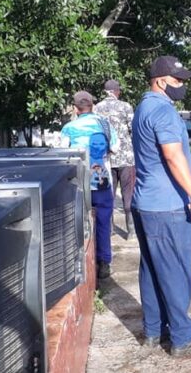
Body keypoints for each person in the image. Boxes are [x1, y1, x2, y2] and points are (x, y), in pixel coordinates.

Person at [131, 56, 191, 357]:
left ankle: (153, 331)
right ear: (160, 80)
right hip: (167, 205)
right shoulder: (163, 111)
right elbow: (172, 156)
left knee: (152, 270)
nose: (182, 85)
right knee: (176, 271)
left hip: (144, 203)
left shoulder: (143, 108)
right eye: (177, 80)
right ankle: (183, 338)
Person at [60, 90, 118, 280]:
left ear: (76, 109)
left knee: (76, 222)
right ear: (92, 105)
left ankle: (78, 263)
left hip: (76, 183)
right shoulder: (105, 125)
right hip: (101, 181)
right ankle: (104, 263)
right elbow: (115, 148)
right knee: (103, 222)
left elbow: (61, 154)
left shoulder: (69, 128)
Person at [93, 79, 137, 240]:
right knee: (129, 193)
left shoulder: (96, 108)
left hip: (105, 159)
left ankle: (108, 230)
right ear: (116, 91)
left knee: (107, 195)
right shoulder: (126, 106)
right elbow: (133, 130)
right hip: (126, 158)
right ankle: (131, 232)